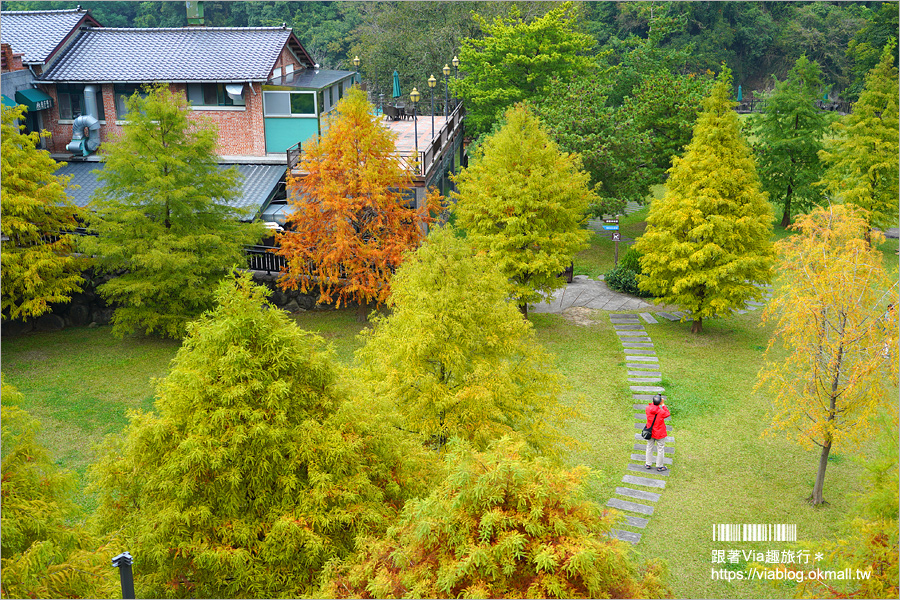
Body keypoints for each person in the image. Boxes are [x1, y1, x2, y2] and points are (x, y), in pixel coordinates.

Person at [645, 394, 670, 472]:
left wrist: (656, 402)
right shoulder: (661, 412)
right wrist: (663, 405)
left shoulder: (647, 408)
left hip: (650, 432)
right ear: (659, 403)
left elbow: (652, 406)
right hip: (659, 433)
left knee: (649, 447)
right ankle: (659, 466)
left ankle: (648, 463)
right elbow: (667, 413)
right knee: (660, 449)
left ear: (652, 401)